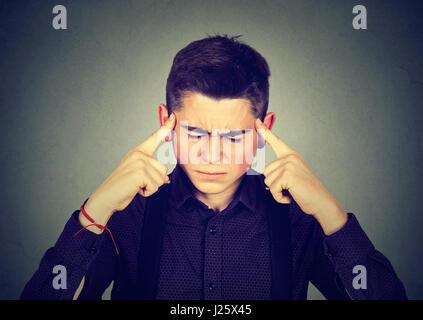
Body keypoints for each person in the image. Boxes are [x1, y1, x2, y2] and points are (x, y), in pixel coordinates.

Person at [21, 34, 407, 300]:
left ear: (263, 130)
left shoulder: (300, 219)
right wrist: (97, 209)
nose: (213, 155)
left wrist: (332, 215)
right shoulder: (128, 212)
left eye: (234, 137)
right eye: (196, 132)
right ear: (166, 123)